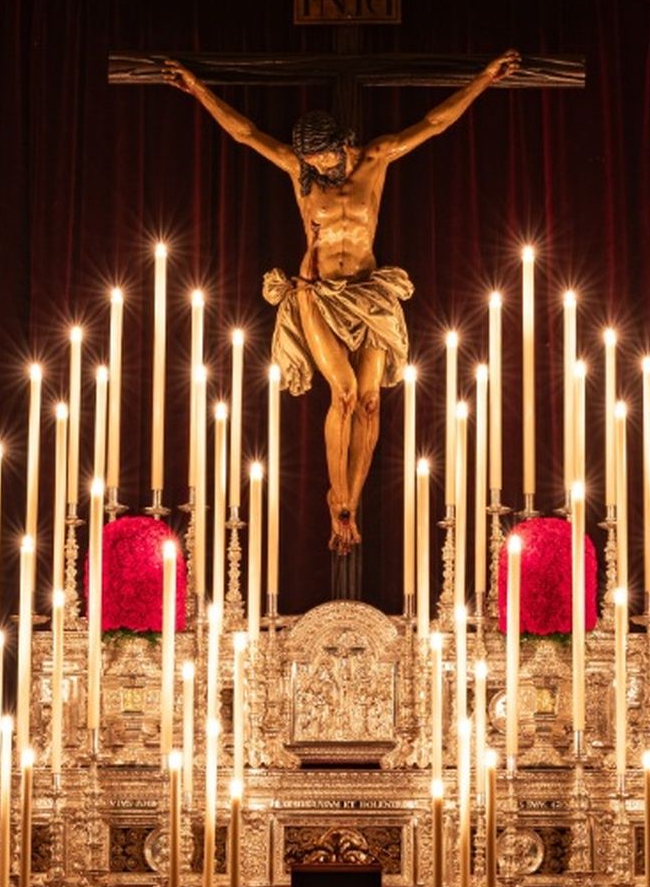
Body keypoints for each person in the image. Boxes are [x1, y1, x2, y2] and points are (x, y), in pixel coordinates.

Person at [163, 50, 521, 552]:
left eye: (324, 159)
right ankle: (337, 498)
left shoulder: (376, 160)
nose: (318, 169)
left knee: (373, 402)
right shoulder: (299, 172)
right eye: (310, 162)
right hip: (319, 295)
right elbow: (245, 133)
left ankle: (353, 500)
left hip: (370, 294)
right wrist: (198, 89)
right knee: (347, 392)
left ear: (341, 145)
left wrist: (483, 79)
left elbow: (435, 123)